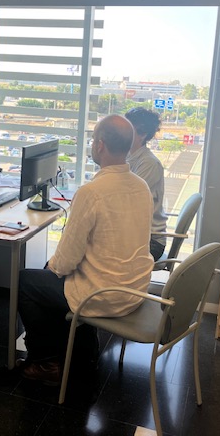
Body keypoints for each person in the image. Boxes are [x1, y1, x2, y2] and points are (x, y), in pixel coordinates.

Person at [17, 114, 154, 385]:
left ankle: (46, 362)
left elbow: (65, 262)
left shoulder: (92, 192)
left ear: (100, 145)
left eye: (93, 140)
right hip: (135, 289)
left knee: (27, 281)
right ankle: (81, 349)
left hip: (103, 296)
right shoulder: (141, 186)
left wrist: (51, 267)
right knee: (51, 279)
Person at [124, 107, 168, 261]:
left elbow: (127, 199)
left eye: (128, 128)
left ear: (142, 134)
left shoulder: (149, 163)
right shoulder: (128, 157)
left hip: (151, 241)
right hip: (134, 233)